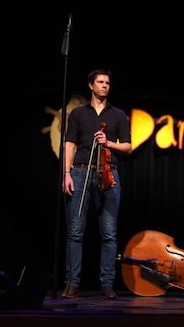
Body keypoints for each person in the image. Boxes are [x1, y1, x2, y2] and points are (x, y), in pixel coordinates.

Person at [61, 69, 132, 299]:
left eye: (108, 83)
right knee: (75, 232)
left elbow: (128, 147)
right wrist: (66, 174)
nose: (105, 86)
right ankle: (72, 283)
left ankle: (108, 285)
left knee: (109, 233)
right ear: (91, 85)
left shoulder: (118, 115)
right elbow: (69, 144)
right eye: (100, 82)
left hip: (108, 174)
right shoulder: (78, 114)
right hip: (80, 172)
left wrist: (109, 142)